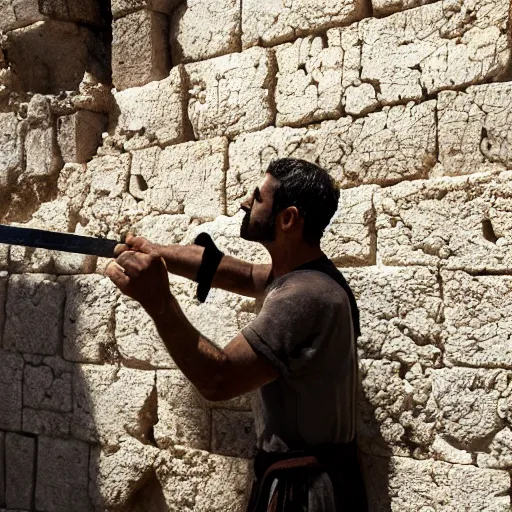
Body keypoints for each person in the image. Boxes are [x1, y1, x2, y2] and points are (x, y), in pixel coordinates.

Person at [106, 158, 368, 511]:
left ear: (287, 218)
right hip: (308, 482)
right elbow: (241, 274)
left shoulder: (304, 296)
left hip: (304, 495)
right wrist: (157, 252)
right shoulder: (304, 275)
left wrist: (158, 300)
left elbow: (218, 379)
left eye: (257, 198)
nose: (246, 202)